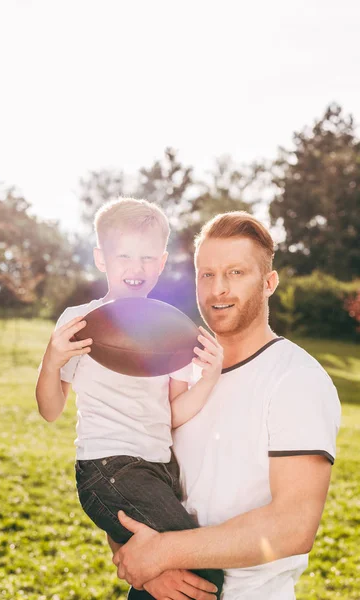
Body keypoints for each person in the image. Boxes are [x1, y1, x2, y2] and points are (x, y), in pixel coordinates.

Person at [112, 211, 341, 600]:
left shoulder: (296, 378)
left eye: (236, 273)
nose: (219, 289)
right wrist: (144, 567)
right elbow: (123, 470)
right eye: (207, 274)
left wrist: (163, 554)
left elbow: (293, 525)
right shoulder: (181, 374)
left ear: (269, 282)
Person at [35, 198, 225, 600]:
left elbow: (172, 415)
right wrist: (51, 361)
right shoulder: (80, 321)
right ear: (101, 259)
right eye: (123, 256)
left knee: (165, 573)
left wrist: (207, 380)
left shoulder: (170, 330)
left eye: (146, 257)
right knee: (200, 570)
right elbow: (50, 411)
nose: (135, 268)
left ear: (161, 262)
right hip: (110, 468)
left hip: (159, 469)